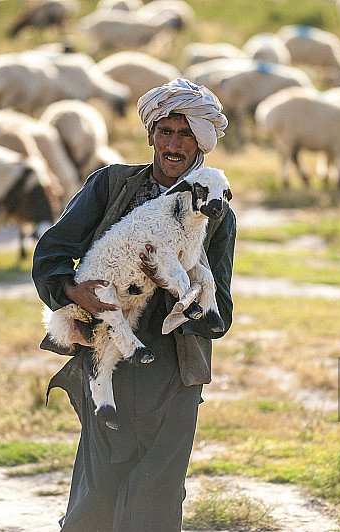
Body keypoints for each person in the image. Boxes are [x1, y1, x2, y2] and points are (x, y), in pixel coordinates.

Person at [32, 77, 236, 532]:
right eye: (165, 131)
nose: (174, 143)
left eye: (185, 134)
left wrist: (179, 292)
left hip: (174, 372)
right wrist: (73, 293)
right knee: (98, 493)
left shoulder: (216, 208)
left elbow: (220, 310)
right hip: (108, 356)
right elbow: (50, 253)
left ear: (202, 143)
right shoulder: (111, 185)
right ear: (151, 136)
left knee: (157, 498)